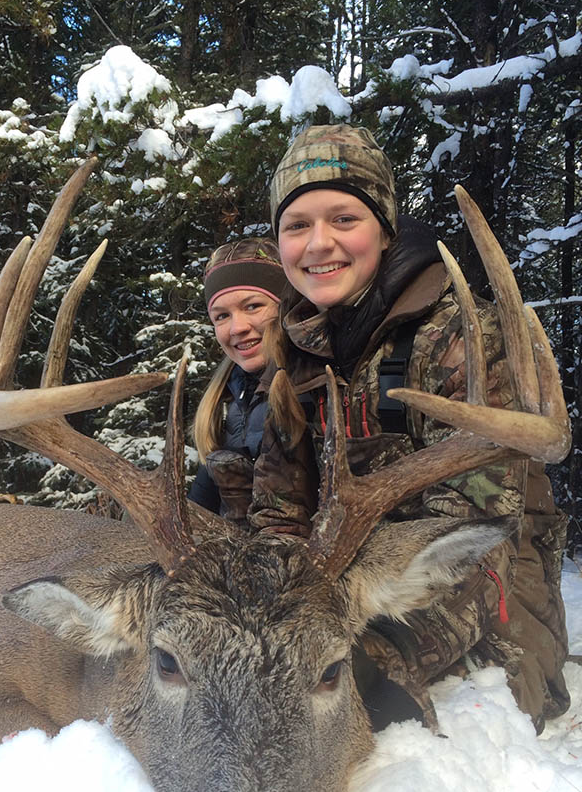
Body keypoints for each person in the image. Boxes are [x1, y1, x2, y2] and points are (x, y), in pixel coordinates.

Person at [245, 124, 569, 732]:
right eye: (297, 225)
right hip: (334, 609)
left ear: (385, 231)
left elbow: (481, 537)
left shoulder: (463, 337)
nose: (319, 244)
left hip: (481, 615)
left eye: (344, 219)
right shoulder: (296, 352)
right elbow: (278, 514)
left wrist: (376, 660)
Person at [189, 239, 287, 524]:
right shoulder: (229, 400)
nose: (237, 328)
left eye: (253, 306)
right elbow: (199, 510)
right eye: (221, 316)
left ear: (287, 307)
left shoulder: (316, 385)